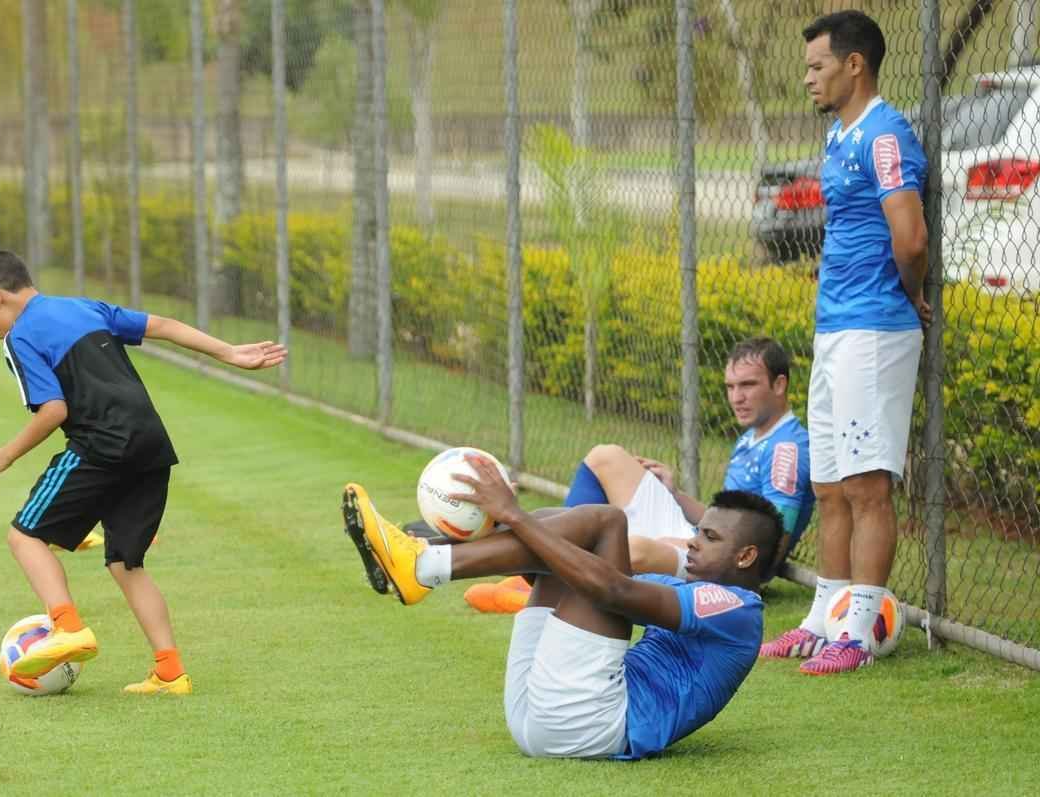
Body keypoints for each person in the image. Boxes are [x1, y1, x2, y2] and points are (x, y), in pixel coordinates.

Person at [0, 249, 287, 694]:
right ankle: (170, 672)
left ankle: (67, 627)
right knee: (125, 563)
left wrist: (6, 454)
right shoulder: (84, 307)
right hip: (150, 443)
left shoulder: (21, 337)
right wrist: (228, 352)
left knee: (24, 537)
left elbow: (54, 410)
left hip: (101, 444)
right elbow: (163, 325)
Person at [340, 458, 782, 759]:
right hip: (551, 712)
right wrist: (499, 525)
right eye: (698, 531)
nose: (692, 542)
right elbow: (555, 573)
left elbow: (612, 592)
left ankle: (424, 565)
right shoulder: (688, 589)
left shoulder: (739, 610)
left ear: (746, 557)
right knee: (564, 526)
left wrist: (515, 517)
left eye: (710, 538)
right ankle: (422, 556)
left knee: (607, 522)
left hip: (591, 722)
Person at [761, 11, 929, 675]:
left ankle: (857, 634)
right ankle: (820, 621)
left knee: (866, 485)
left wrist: (911, 292)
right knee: (828, 485)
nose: (809, 78)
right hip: (835, 329)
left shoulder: (884, 135)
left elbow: (910, 237)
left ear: (854, 64)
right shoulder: (839, 134)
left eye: (818, 65)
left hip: (874, 329)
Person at [466, 337, 813, 614]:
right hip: (700, 540)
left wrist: (689, 545)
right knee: (606, 457)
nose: (737, 397)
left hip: (719, 570)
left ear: (779, 384)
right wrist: (675, 496)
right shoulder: (754, 436)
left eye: (748, 385)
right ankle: (546, 569)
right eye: (730, 387)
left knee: (632, 548)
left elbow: (765, 551)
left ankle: (549, 584)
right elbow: (727, 522)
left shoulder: (786, 450)